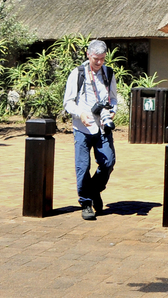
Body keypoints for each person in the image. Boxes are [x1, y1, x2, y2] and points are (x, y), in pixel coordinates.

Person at [63, 40, 120, 220]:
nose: (99, 62)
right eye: (96, 59)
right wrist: (80, 113)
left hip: (103, 127)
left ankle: (94, 190)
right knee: (83, 167)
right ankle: (86, 203)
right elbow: (68, 102)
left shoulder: (108, 73)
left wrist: (112, 113)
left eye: (102, 59)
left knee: (108, 162)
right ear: (88, 55)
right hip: (82, 127)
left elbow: (113, 99)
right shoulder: (77, 73)